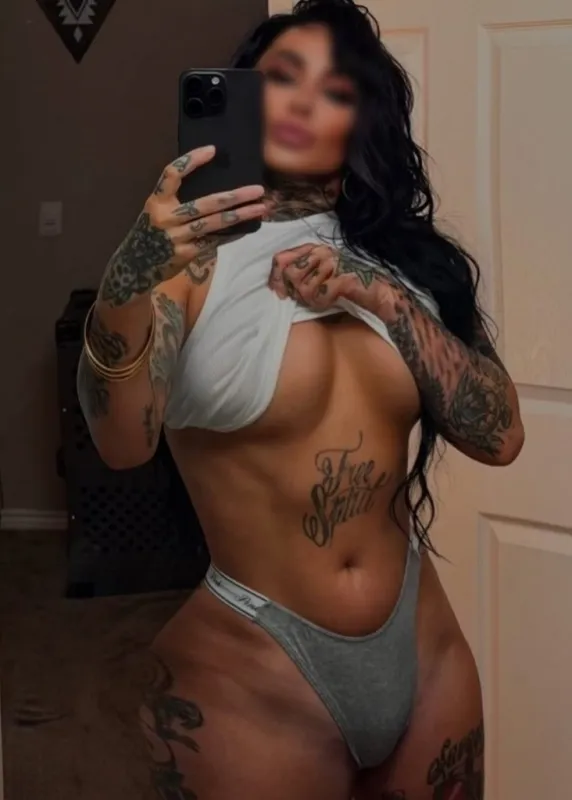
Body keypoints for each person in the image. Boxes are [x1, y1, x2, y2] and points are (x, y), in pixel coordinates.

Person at [78, 1, 524, 797]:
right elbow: (121, 443)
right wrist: (124, 286)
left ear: (363, 123)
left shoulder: (405, 265)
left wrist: (379, 296)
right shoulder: (187, 264)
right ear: (246, 92)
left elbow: (501, 437)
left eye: (337, 90)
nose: (305, 101)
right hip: (253, 667)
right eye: (284, 77)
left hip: (423, 647)